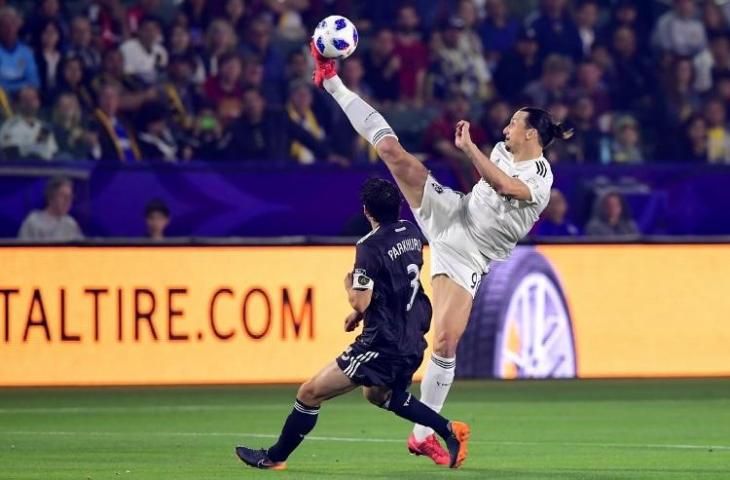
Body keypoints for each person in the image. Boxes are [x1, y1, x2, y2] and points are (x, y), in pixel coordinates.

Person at [310, 43, 572, 465]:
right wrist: (474, 157)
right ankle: (333, 82)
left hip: (472, 254)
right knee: (393, 153)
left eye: (513, 124)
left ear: (531, 134)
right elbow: (491, 182)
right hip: (453, 212)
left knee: (446, 342)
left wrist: (468, 150)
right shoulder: (505, 151)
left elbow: (506, 187)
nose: (505, 130)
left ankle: (422, 434)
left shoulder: (541, 176)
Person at [234, 178, 470, 470]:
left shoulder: (368, 246)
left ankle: (274, 457)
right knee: (378, 395)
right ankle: (449, 430)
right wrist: (362, 314)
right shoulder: (411, 232)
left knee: (309, 393)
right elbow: (392, 286)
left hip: (382, 342)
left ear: (366, 211)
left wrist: (350, 288)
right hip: (411, 335)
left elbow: (360, 299)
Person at [18, 176, 83, 241]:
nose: (67, 201)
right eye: (63, 196)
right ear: (51, 197)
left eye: (70, 197)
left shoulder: (71, 224)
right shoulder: (33, 222)